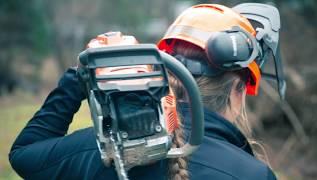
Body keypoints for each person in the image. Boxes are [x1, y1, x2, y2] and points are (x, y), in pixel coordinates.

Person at [9, 3, 280, 180]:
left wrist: (79, 77)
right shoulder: (252, 174)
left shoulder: (102, 150)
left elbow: (24, 153)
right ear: (238, 88)